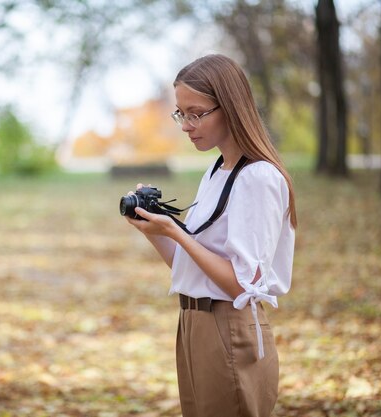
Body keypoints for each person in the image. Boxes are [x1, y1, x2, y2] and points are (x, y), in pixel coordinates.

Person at [124, 54, 296, 417]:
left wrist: (176, 230)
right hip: (192, 321)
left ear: (230, 107)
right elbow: (188, 265)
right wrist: (153, 230)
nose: (186, 125)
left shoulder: (258, 178)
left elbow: (241, 285)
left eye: (196, 113)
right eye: (180, 113)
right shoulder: (218, 170)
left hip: (227, 327)